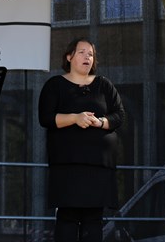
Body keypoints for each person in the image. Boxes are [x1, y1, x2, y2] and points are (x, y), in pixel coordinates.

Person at [38, 37, 125, 242]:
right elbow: (46, 118)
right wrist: (75, 118)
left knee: (94, 220)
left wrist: (101, 121)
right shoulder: (55, 85)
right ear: (69, 57)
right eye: (82, 52)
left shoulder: (104, 85)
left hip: (98, 166)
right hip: (68, 165)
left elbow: (119, 115)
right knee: (67, 218)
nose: (88, 56)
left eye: (91, 54)